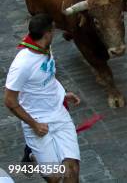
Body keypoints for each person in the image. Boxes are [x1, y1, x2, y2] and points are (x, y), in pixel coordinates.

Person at [4, 14, 82, 182]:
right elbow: (10, 101)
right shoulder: (22, 65)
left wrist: (62, 93)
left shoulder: (46, 48)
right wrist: (34, 124)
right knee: (54, 178)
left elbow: (48, 74)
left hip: (59, 114)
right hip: (37, 121)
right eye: (53, 30)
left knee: (72, 171)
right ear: (48, 33)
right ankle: (32, 156)